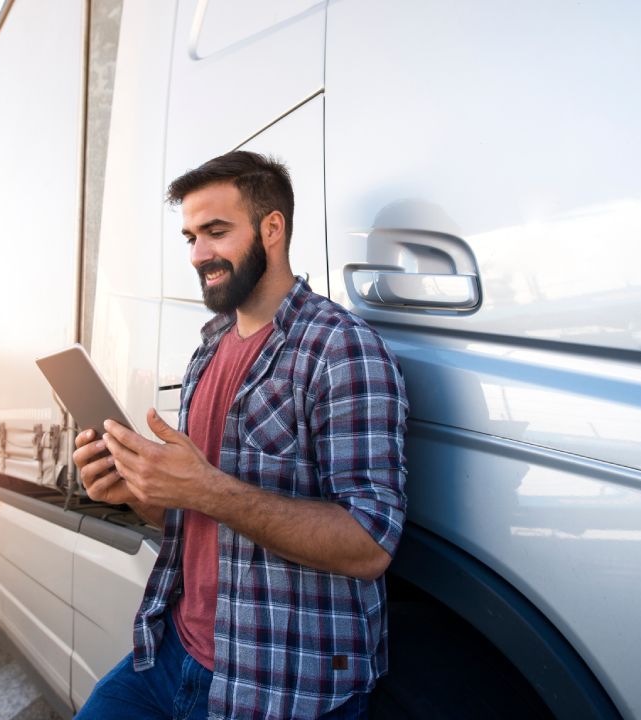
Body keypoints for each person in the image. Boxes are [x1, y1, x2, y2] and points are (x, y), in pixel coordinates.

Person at [72, 151, 408, 719]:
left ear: (272, 228)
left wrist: (204, 488)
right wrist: (134, 489)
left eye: (216, 231)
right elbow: (195, 518)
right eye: (190, 237)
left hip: (279, 684)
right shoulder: (209, 347)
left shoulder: (341, 350)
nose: (199, 254)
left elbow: (370, 544)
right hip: (172, 653)